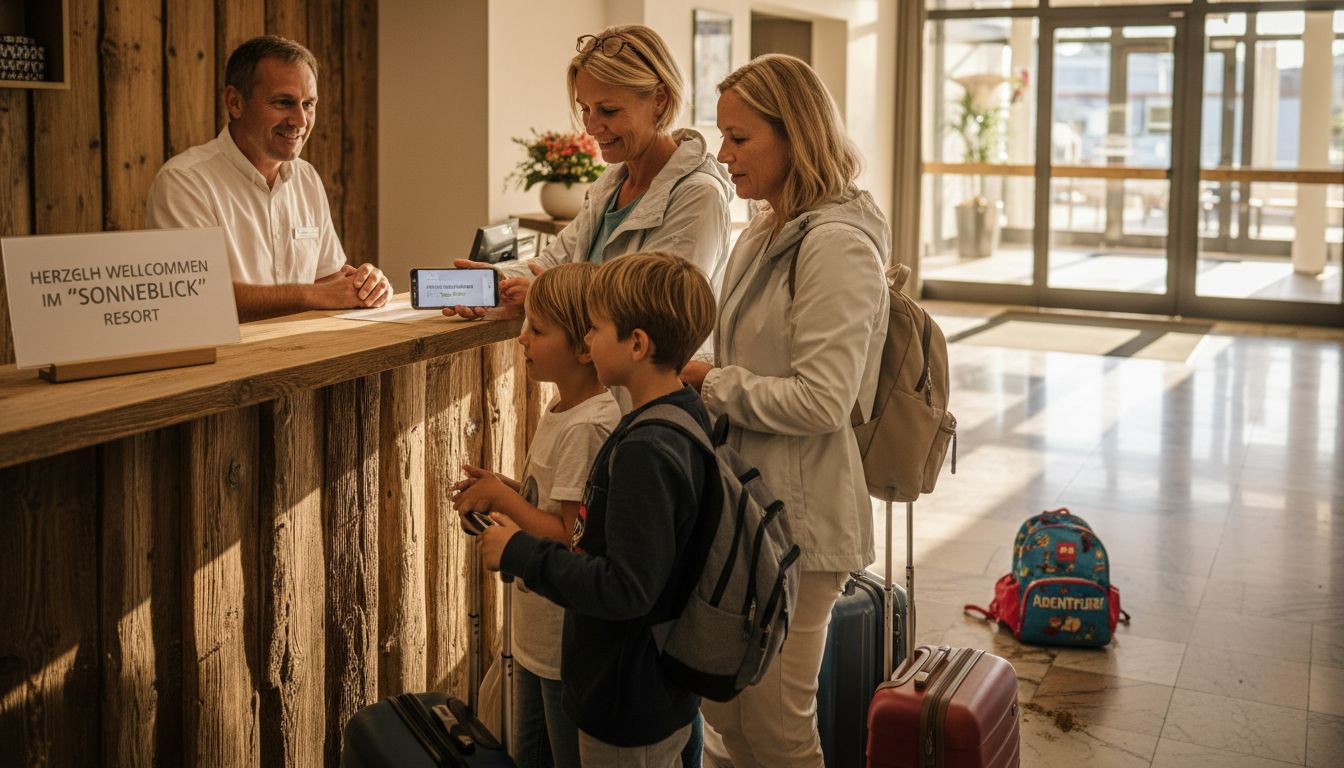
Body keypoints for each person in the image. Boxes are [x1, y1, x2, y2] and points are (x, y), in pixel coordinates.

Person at [679, 54, 891, 768]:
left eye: (739, 138)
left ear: (793, 134)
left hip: (800, 526)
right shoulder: (761, 233)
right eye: (721, 136)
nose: (724, 155)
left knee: (776, 733)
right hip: (746, 512)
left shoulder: (836, 245)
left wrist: (712, 382)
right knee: (727, 723)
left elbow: (825, 397)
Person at [477, 252, 717, 768]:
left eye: (596, 328)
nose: (587, 339)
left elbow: (623, 586)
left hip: (627, 695)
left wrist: (519, 550)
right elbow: (600, 525)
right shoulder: (674, 415)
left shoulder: (644, 448)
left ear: (636, 344)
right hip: (636, 681)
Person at [452, 263, 621, 768]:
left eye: (538, 329)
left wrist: (505, 502)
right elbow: (548, 501)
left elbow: (573, 537)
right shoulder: (562, 409)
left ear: (584, 347)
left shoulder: (587, 427)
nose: (522, 338)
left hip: (558, 645)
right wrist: (503, 488)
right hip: (532, 633)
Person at [444, 24, 731, 322]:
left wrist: (545, 297)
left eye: (608, 111)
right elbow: (557, 261)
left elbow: (653, 312)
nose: (591, 128)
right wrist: (500, 279)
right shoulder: (610, 184)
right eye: (585, 109)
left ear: (660, 99)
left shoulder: (699, 197)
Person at [146, 35, 390, 322]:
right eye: (284, 102)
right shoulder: (184, 182)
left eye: (309, 104)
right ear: (235, 102)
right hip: (227, 363)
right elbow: (196, 294)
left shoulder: (307, 177)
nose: (300, 121)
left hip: (307, 356)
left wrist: (364, 285)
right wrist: (310, 294)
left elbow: (328, 278)